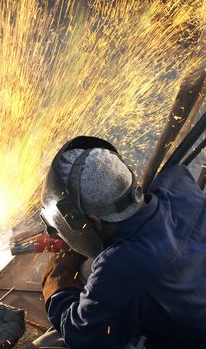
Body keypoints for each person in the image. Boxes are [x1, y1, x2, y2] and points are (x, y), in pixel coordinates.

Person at [29, 136, 206, 349]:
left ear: (93, 224)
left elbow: (82, 335)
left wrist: (57, 284)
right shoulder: (177, 182)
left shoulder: (120, 266)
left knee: (47, 344)